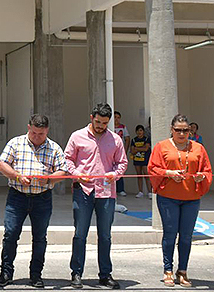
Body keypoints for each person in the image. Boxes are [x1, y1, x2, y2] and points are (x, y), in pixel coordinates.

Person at [0, 114, 68, 288]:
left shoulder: (54, 148)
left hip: (42, 198)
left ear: (47, 131)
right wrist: (17, 176)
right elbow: (2, 164)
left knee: (40, 237)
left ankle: (36, 275)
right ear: (29, 128)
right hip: (17, 196)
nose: (37, 137)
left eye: (41, 134)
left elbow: (63, 171)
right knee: (10, 235)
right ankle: (6, 272)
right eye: (34, 133)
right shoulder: (16, 143)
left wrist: (49, 179)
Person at [64, 103, 127, 289]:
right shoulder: (77, 136)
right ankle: (76, 273)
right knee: (80, 234)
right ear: (91, 117)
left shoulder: (115, 140)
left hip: (106, 193)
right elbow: (67, 159)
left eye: (105, 123)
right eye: (98, 122)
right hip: (82, 191)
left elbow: (122, 163)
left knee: (105, 236)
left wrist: (114, 174)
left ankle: (105, 275)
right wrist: (76, 174)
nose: (100, 126)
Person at [148, 114, 212, 287]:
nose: (182, 133)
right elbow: (152, 168)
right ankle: (167, 270)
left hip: (191, 199)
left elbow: (207, 170)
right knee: (170, 235)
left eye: (186, 130)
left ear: (190, 130)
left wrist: (201, 177)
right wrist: (169, 174)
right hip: (168, 198)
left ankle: (182, 271)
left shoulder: (198, 148)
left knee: (186, 237)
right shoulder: (162, 147)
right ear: (171, 129)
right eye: (178, 130)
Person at [130, 125, 152, 198]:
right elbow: (132, 151)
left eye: (141, 130)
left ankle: (150, 192)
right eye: (138, 130)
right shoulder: (133, 140)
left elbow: (146, 149)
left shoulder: (146, 139)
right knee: (139, 175)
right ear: (136, 132)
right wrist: (140, 148)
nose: (139, 132)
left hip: (145, 160)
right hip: (137, 160)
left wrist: (137, 148)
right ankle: (140, 191)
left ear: (143, 131)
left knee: (146, 175)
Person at [113, 111, 130, 197]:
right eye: (115, 117)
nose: (116, 119)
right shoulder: (109, 126)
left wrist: (125, 150)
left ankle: (121, 189)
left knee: (120, 169)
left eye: (118, 117)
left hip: (120, 151)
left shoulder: (123, 127)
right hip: (111, 151)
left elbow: (127, 138)